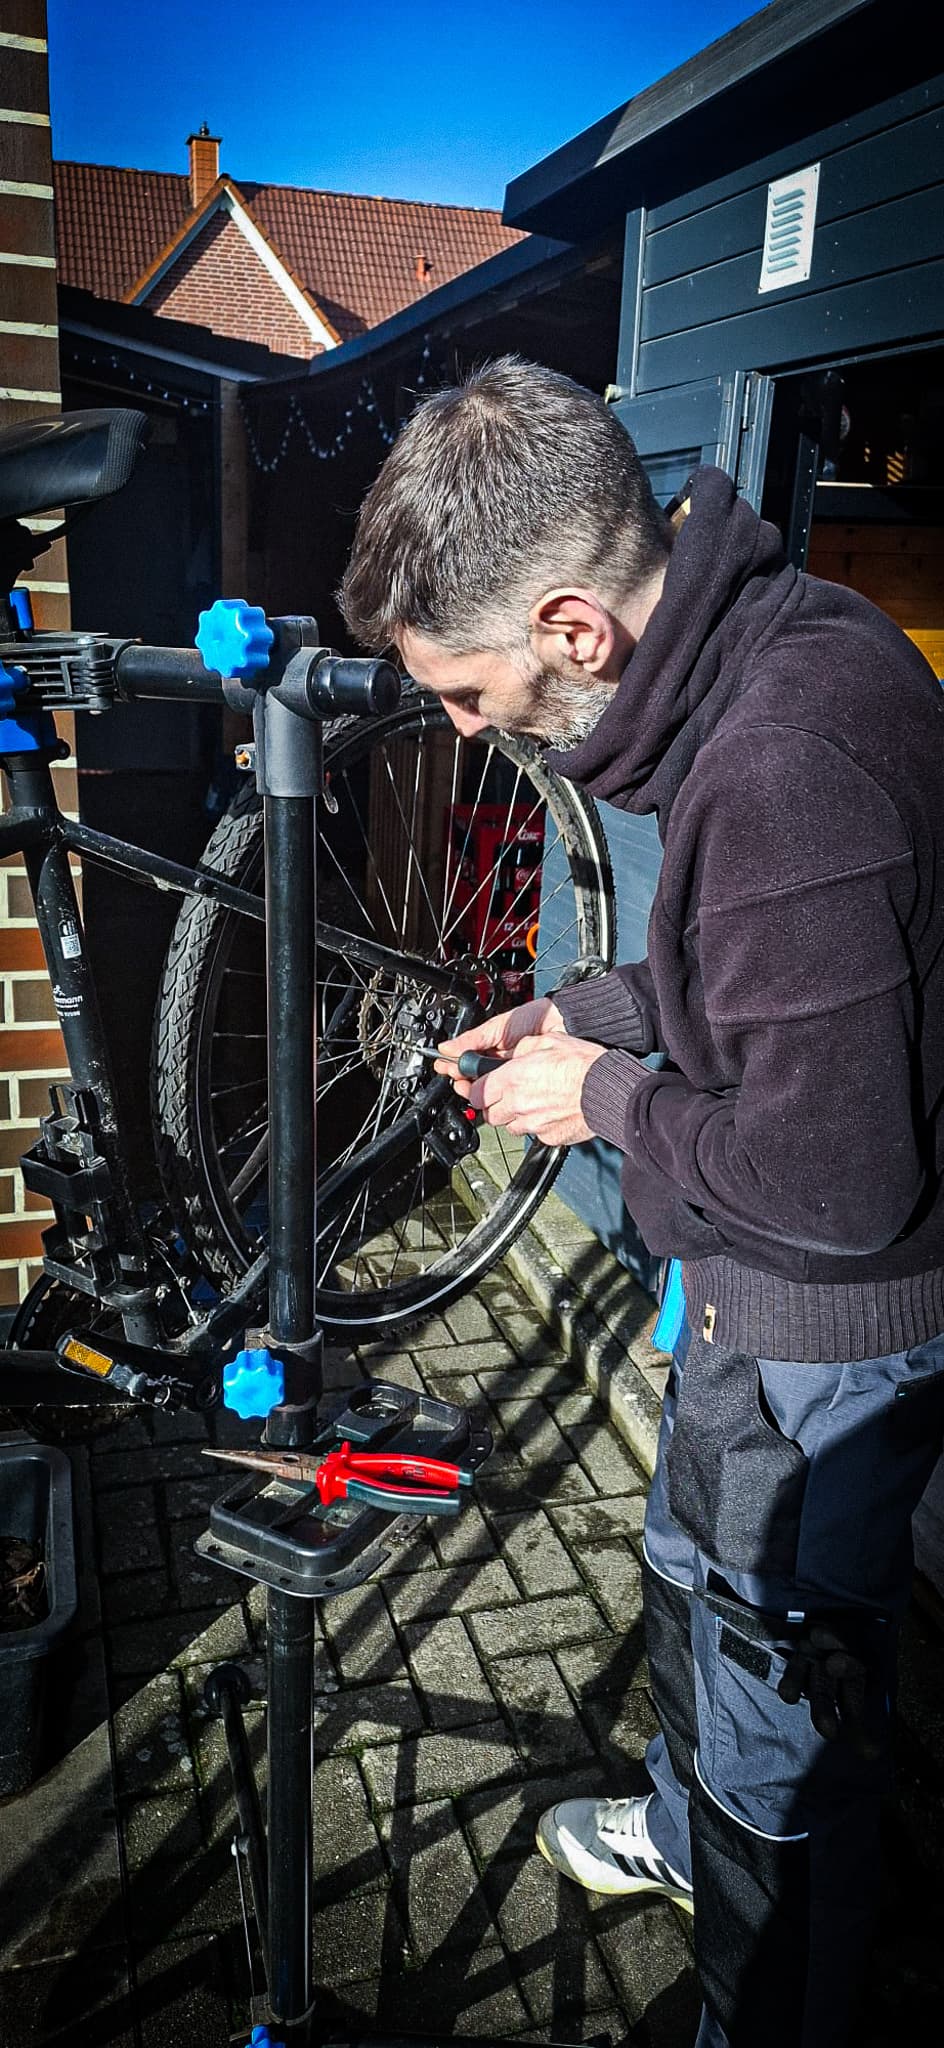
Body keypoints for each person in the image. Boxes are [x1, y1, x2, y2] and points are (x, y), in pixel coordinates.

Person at [338, 356, 944, 2047]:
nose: (460, 727)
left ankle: (762, 1988)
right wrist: (579, 1012)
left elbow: (833, 1183)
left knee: (785, 1707)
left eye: (467, 690)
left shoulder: (786, 759)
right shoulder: (764, 645)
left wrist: (594, 1099)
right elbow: (749, 983)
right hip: (748, 1307)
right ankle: (684, 1837)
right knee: (692, 1574)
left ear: (573, 629)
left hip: (823, 1331)